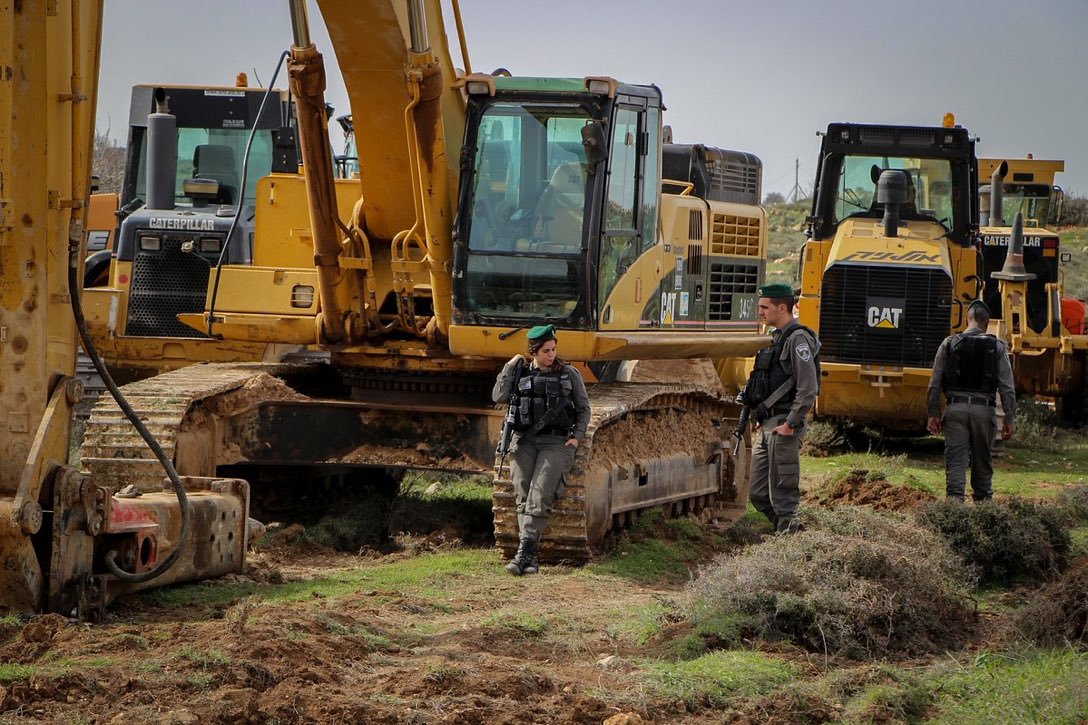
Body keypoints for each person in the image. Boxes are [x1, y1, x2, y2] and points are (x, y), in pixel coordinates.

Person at [492, 324, 591, 575]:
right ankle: (529, 556)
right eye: (546, 350)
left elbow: (583, 408)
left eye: (554, 349)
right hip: (524, 440)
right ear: (533, 352)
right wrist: (510, 365)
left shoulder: (569, 374)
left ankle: (524, 551)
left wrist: (577, 437)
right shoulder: (520, 372)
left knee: (540, 494)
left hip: (556, 442)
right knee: (523, 494)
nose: (551, 355)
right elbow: (499, 396)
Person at [741, 283, 821, 533]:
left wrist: (791, 423)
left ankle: (790, 541)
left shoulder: (798, 339)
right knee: (757, 493)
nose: (760, 312)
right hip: (768, 423)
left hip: (784, 423)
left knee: (784, 493)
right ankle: (786, 533)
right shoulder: (776, 339)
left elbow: (808, 388)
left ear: (782, 307)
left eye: (765, 307)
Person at [926, 300, 1016, 501]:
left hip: (955, 410)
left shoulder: (949, 343)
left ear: (967, 320)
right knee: (983, 462)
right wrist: (1009, 418)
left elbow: (934, 383)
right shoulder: (998, 346)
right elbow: (1007, 387)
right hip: (984, 411)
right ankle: (984, 509)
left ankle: (955, 507)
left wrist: (933, 414)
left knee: (956, 461)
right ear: (987, 323)